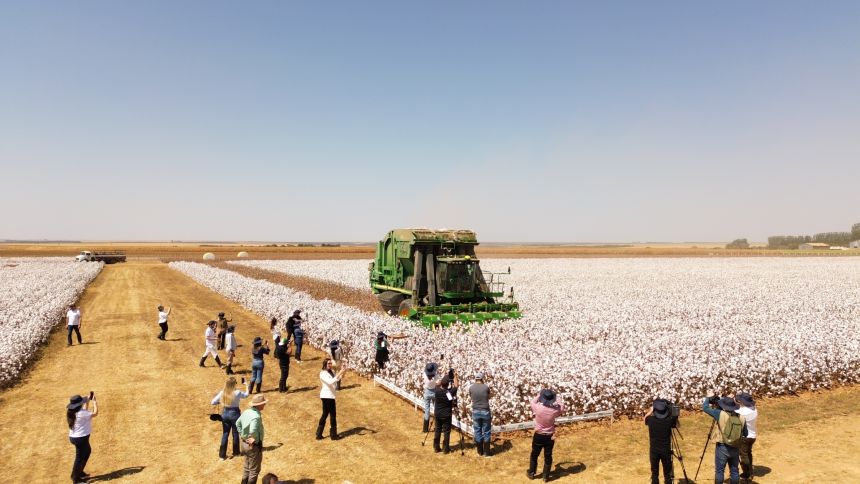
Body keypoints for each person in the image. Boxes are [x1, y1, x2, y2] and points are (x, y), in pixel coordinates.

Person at [702, 396, 748, 484]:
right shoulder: (742, 417)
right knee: (734, 471)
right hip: (735, 447)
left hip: (722, 447)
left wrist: (708, 398)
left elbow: (705, 407)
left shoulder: (720, 414)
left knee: (719, 471)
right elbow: (746, 434)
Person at [528, 389, 565, 481]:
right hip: (550, 436)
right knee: (548, 455)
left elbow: (532, 401)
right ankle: (546, 476)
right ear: (552, 399)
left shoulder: (538, 408)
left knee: (534, 454)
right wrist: (558, 399)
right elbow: (562, 407)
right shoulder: (554, 410)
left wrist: (539, 395)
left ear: (543, 398)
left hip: (539, 435)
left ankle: (532, 473)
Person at [211, 377, 252, 459]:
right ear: (234, 384)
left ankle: (222, 455)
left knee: (225, 433)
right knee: (235, 433)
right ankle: (236, 452)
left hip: (225, 414)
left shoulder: (223, 392)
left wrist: (222, 401)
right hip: (235, 414)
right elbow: (247, 395)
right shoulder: (237, 392)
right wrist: (247, 385)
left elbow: (213, 402)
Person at [644, 398, 679, 484]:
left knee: (654, 474)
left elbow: (645, 418)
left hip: (654, 451)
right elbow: (676, 418)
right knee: (667, 474)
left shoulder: (650, 420)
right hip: (666, 450)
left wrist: (650, 410)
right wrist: (673, 407)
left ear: (655, 410)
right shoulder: (669, 421)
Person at [67, 393, 98, 483]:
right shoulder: (82, 413)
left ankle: (79, 472)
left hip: (76, 438)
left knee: (87, 451)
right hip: (80, 439)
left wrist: (86, 400)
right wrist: (95, 402)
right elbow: (95, 413)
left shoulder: (72, 411)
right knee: (79, 458)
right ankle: (75, 479)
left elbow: (84, 410)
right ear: (79, 404)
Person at [237, 395, 268, 484]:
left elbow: (237, 423)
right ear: (258, 405)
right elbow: (253, 430)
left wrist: (242, 435)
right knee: (254, 471)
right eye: (263, 403)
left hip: (244, 443)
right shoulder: (256, 416)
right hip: (253, 446)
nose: (264, 405)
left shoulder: (246, 411)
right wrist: (252, 438)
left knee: (247, 467)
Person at [317, 357, 347, 440]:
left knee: (325, 414)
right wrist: (340, 371)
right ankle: (333, 435)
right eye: (328, 363)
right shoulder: (322, 373)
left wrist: (343, 370)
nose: (330, 365)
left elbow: (339, 378)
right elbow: (330, 382)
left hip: (330, 396)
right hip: (327, 396)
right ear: (325, 364)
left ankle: (319, 434)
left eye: (330, 363)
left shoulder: (332, 372)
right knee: (332, 415)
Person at [432, 370, 459, 454]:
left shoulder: (437, 390)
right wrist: (455, 376)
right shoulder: (449, 393)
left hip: (438, 413)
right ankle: (445, 448)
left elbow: (437, 384)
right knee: (446, 431)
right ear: (448, 384)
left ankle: (436, 447)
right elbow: (456, 386)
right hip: (446, 415)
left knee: (438, 429)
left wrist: (445, 377)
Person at [735, 392, 758, 482]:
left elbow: (732, 410)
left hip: (745, 437)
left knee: (743, 455)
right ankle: (750, 471)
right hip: (752, 435)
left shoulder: (742, 412)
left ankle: (746, 473)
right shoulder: (754, 409)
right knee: (748, 453)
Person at [469, 372, 492, 457]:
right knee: (486, 431)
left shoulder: (471, 388)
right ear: (482, 379)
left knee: (477, 430)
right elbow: (489, 396)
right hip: (485, 411)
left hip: (475, 411)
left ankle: (480, 452)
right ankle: (487, 453)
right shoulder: (486, 387)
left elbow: (472, 397)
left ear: (475, 379)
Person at [422, 362, 438, 433]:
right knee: (436, 409)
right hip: (434, 392)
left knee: (427, 410)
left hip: (427, 392)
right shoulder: (436, 376)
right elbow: (438, 382)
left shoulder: (425, 375)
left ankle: (425, 429)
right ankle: (437, 427)